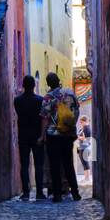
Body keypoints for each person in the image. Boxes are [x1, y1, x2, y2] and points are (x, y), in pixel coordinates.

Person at [39, 71, 81, 202]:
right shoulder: (70, 93)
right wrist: (72, 126)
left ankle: (57, 194)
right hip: (68, 134)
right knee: (68, 164)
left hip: (54, 135)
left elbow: (45, 118)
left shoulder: (48, 97)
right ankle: (75, 193)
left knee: (55, 165)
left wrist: (42, 136)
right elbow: (76, 110)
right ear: (59, 80)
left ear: (48, 84)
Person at [13, 75, 46, 201]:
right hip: (37, 135)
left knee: (24, 165)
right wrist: (42, 136)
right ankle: (39, 192)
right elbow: (43, 117)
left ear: (23, 85)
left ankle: (26, 193)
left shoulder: (17, 101)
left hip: (23, 135)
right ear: (33, 86)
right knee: (39, 165)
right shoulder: (40, 100)